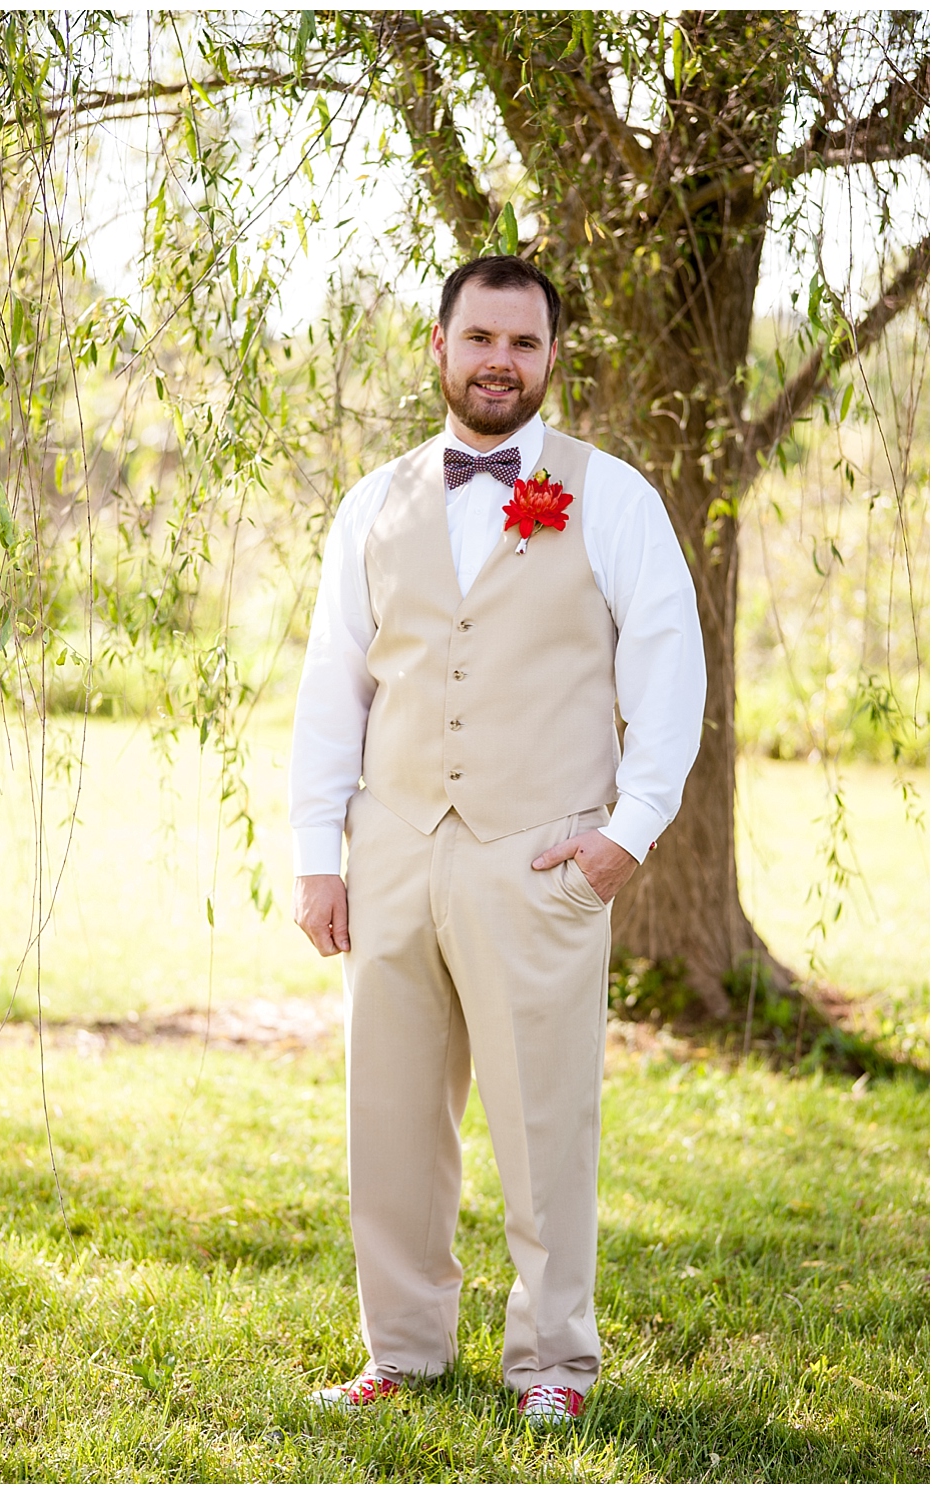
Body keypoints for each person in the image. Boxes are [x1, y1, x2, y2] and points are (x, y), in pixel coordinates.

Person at [289, 255, 706, 1425]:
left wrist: (629, 833)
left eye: (523, 344)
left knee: (543, 1119)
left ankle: (553, 1365)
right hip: (396, 848)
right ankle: (402, 1350)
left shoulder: (612, 496)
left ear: (553, 358)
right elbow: (335, 687)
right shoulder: (371, 505)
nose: (498, 363)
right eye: (479, 338)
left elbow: (667, 669)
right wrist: (318, 854)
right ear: (437, 345)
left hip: (541, 851)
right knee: (390, 1113)